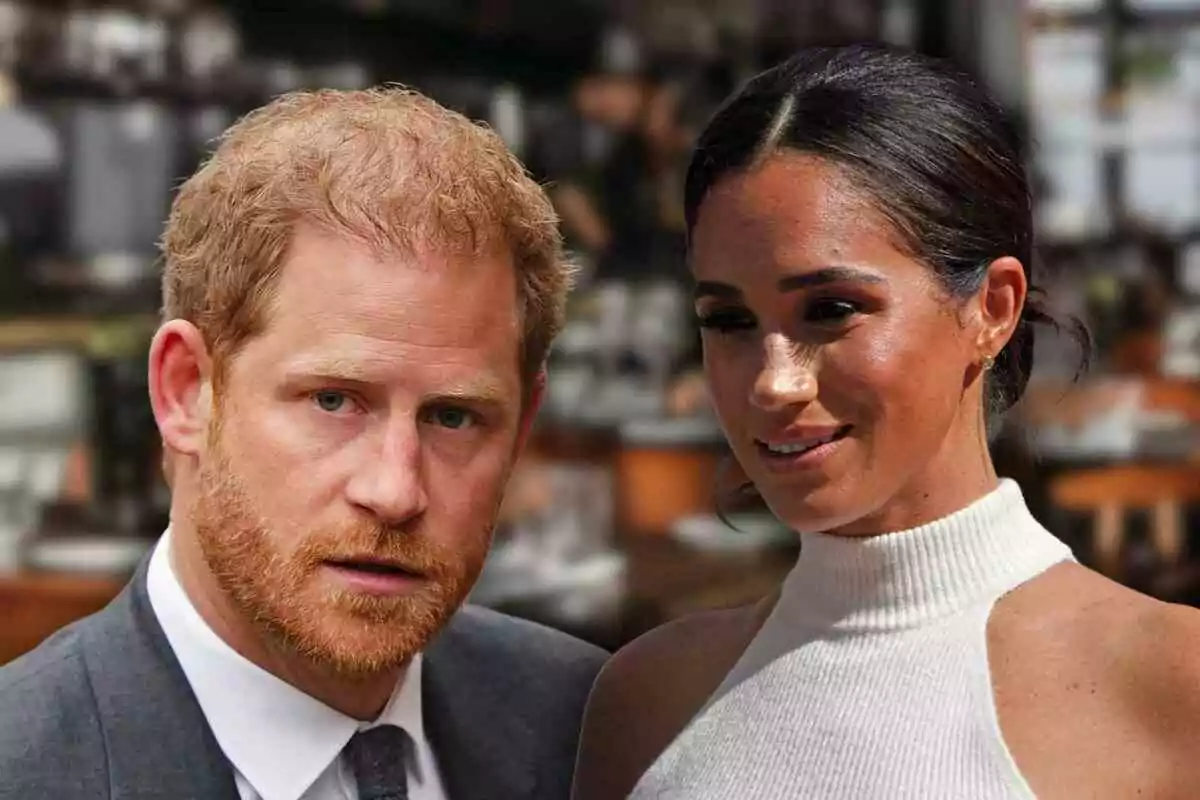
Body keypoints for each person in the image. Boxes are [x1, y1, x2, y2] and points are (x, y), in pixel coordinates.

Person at [572, 43, 1200, 800]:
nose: (774, 382)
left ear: (991, 309)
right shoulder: (644, 700)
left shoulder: (1171, 690)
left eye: (831, 310)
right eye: (728, 319)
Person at [0, 86, 607, 800]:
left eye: (453, 417)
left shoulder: (591, 722)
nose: (394, 490)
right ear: (185, 390)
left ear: (522, 428)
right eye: (334, 401)